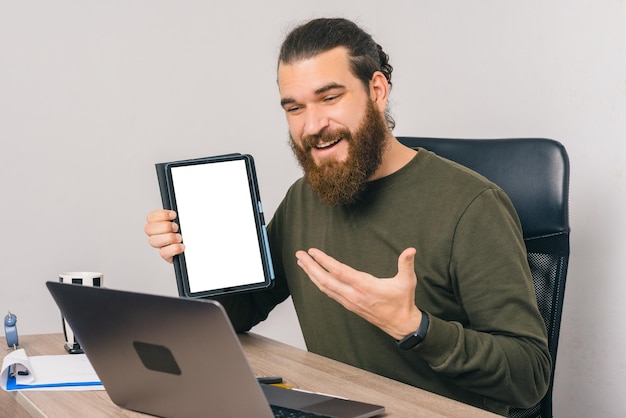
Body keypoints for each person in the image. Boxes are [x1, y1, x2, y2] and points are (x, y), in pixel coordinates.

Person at [144, 17, 550, 416]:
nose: (313, 125)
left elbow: (529, 377)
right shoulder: (304, 198)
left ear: (376, 90)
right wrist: (195, 257)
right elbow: (239, 314)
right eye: (295, 107)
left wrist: (415, 326)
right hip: (335, 406)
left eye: (330, 98)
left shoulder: (472, 205)